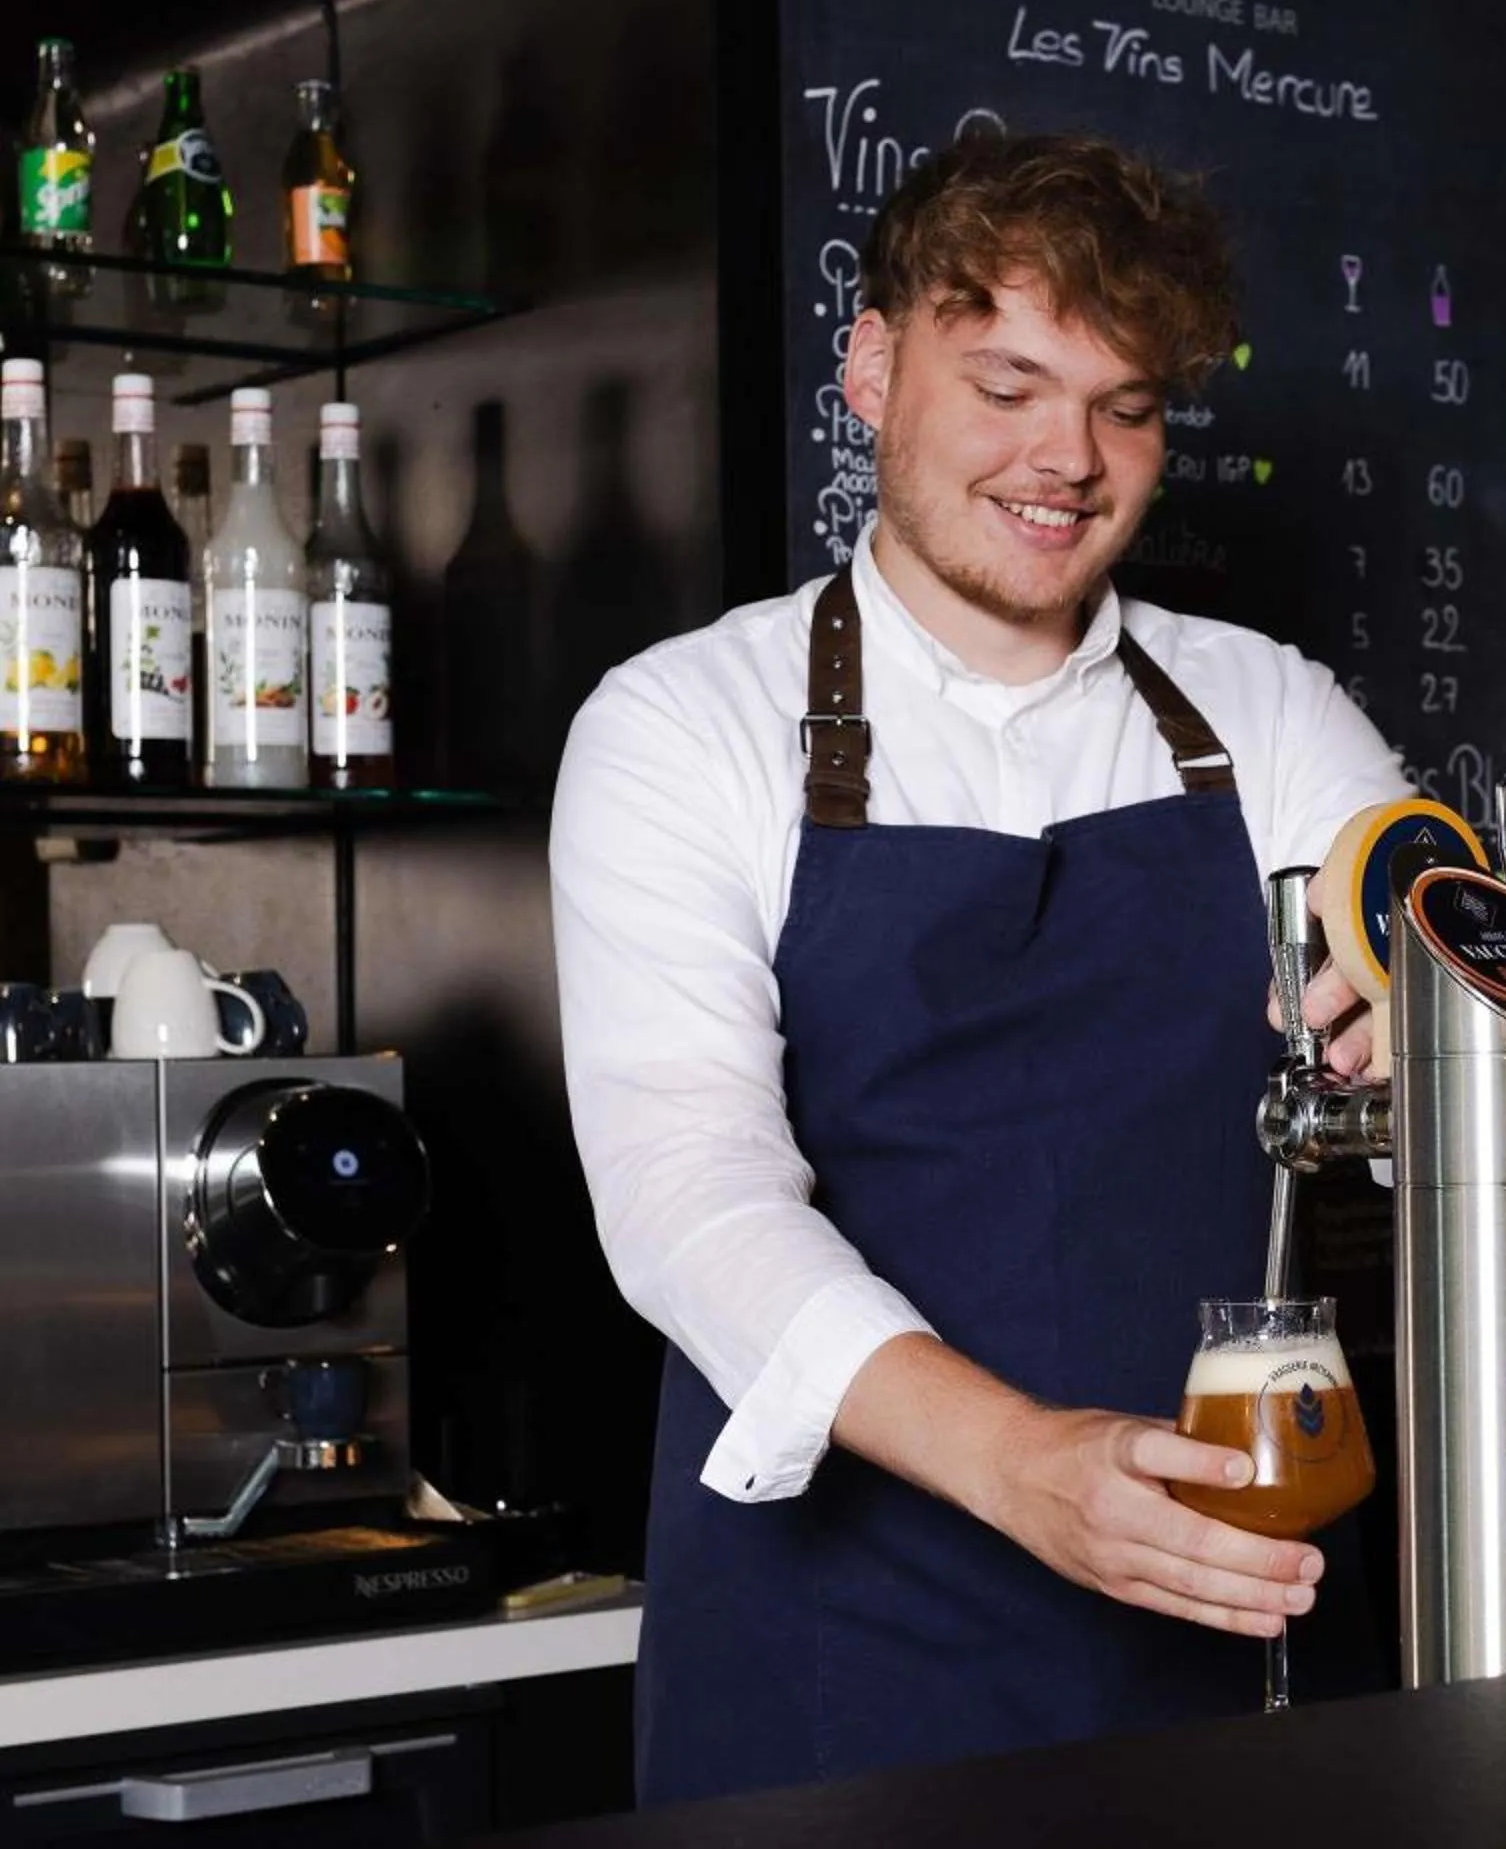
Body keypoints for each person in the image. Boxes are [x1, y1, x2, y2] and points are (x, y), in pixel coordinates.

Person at [551, 133, 1407, 1804]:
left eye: (1126, 405)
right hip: (838, 1654)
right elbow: (685, 1190)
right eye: (1008, 382)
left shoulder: (1270, 713)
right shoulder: (683, 724)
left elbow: (1406, 905)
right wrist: (1026, 1466)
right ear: (872, 368)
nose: (1067, 458)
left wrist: (1430, 1009)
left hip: (1236, 1601)